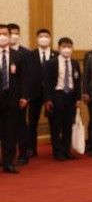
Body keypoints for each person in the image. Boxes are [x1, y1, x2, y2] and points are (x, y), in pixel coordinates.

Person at [44, 37, 81, 162]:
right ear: (59, 48)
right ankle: (57, 151)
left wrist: (78, 98)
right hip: (57, 94)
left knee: (68, 124)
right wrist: (48, 99)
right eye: (64, 47)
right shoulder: (51, 63)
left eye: (69, 47)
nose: (67, 49)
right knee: (56, 125)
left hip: (70, 95)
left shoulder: (75, 63)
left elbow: (77, 81)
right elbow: (46, 82)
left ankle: (66, 150)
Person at [0, 24, 29, 173]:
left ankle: (8, 162)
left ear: (9, 36)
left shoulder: (18, 55)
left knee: (10, 132)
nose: (2, 37)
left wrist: (23, 96)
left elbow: (24, 78)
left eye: (5, 34)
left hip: (12, 98)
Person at [26, 29, 54, 158]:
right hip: (34, 93)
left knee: (54, 121)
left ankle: (56, 148)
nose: (43, 38)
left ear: (50, 38)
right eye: (41, 36)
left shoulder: (56, 55)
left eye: (46, 36)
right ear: (37, 39)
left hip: (52, 94)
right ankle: (31, 149)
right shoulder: (29, 55)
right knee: (32, 121)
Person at [8, 23, 31, 166]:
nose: (13, 36)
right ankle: (7, 156)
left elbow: (27, 77)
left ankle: (23, 154)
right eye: (11, 33)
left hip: (19, 97)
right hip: (4, 96)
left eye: (16, 33)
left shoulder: (25, 53)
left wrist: (25, 96)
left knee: (21, 126)